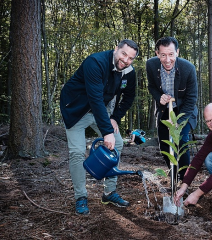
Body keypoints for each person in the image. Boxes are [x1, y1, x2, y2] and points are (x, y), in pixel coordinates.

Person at [60, 39, 139, 215]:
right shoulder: (95, 62)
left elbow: (129, 97)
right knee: (77, 152)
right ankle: (81, 197)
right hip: (76, 109)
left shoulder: (128, 72)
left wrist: (114, 118)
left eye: (130, 58)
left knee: (117, 143)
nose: (126, 60)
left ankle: (109, 192)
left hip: (100, 111)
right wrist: (106, 132)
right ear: (116, 49)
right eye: (123, 54)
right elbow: (95, 98)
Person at [146, 37, 198, 182]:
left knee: (181, 142)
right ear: (157, 54)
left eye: (171, 54)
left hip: (183, 110)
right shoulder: (150, 65)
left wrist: (178, 122)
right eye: (163, 55)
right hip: (164, 110)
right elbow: (151, 87)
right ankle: (173, 174)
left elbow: (191, 98)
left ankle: (183, 180)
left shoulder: (188, 68)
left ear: (177, 52)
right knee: (164, 145)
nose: (167, 60)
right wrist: (159, 96)